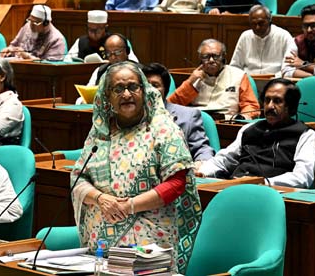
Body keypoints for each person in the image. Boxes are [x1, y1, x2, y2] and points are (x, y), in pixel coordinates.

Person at [71, 62, 201, 273]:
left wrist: (129, 205)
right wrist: (100, 198)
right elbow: (78, 179)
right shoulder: (100, 133)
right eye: (118, 89)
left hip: (149, 244)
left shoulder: (163, 129)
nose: (127, 94)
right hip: (101, 243)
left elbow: (177, 184)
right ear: (107, 96)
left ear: (144, 90)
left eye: (133, 87)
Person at [195, 78, 315, 188]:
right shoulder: (249, 129)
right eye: (267, 100)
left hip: (273, 192)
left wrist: (261, 183)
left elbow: (302, 177)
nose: (270, 106)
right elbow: (225, 159)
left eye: (277, 101)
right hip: (236, 186)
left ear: (291, 106)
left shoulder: (306, 135)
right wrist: (203, 171)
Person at [168, 39, 260, 120]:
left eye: (216, 56)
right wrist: (189, 82)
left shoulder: (238, 75)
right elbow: (170, 105)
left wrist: (242, 117)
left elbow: (251, 105)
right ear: (200, 58)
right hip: (196, 122)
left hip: (226, 122)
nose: (211, 60)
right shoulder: (194, 77)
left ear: (224, 57)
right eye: (206, 57)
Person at [142, 62, 214, 162]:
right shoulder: (131, 116)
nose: (149, 90)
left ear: (165, 90)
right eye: (145, 85)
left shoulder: (188, 116)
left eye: (155, 85)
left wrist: (201, 163)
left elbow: (202, 149)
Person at [229, 5, 296, 75]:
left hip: (275, 80)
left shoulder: (284, 36)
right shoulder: (245, 36)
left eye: (261, 23)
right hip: (249, 80)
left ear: (269, 21)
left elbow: (288, 69)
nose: (257, 27)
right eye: (253, 24)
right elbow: (235, 66)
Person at [66, 10, 138, 62]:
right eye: (90, 29)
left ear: (105, 28)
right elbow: (67, 61)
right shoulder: (81, 41)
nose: (93, 33)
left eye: (97, 30)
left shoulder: (117, 41)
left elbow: (134, 62)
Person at [2, 5, 67, 60]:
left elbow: (49, 67)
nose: (31, 25)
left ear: (46, 23)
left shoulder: (56, 39)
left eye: (35, 22)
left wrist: (27, 57)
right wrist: (10, 50)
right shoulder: (28, 26)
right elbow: (14, 45)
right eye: (30, 20)